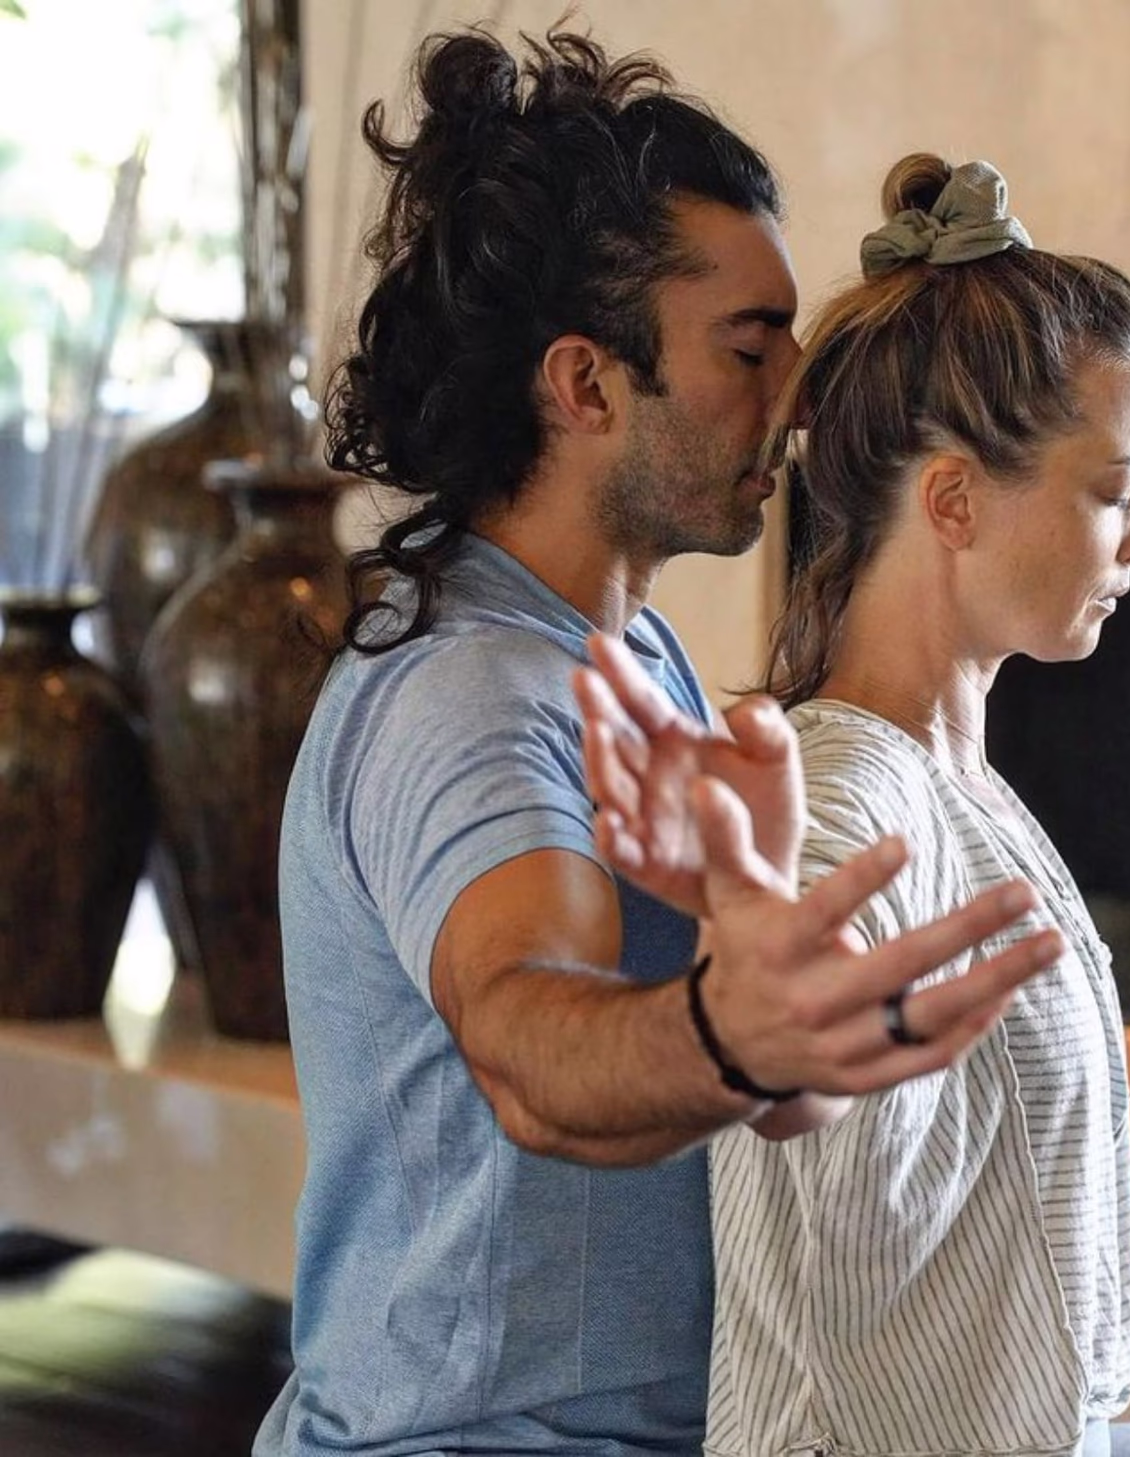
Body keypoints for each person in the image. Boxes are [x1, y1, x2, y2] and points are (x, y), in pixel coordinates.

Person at [253, 30, 1065, 1457]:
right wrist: (729, 1035)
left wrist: (777, 1042)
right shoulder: (472, 692)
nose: (800, 391)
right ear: (585, 386)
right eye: (751, 348)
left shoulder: (631, 654)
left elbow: (739, 1088)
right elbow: (528, 1036)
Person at [578, 157, 1130, 1456]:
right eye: (1111, 487)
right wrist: (762, 1034)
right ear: (953, 499)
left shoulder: (959, 777)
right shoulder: (844, 797)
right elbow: (794, 1086)